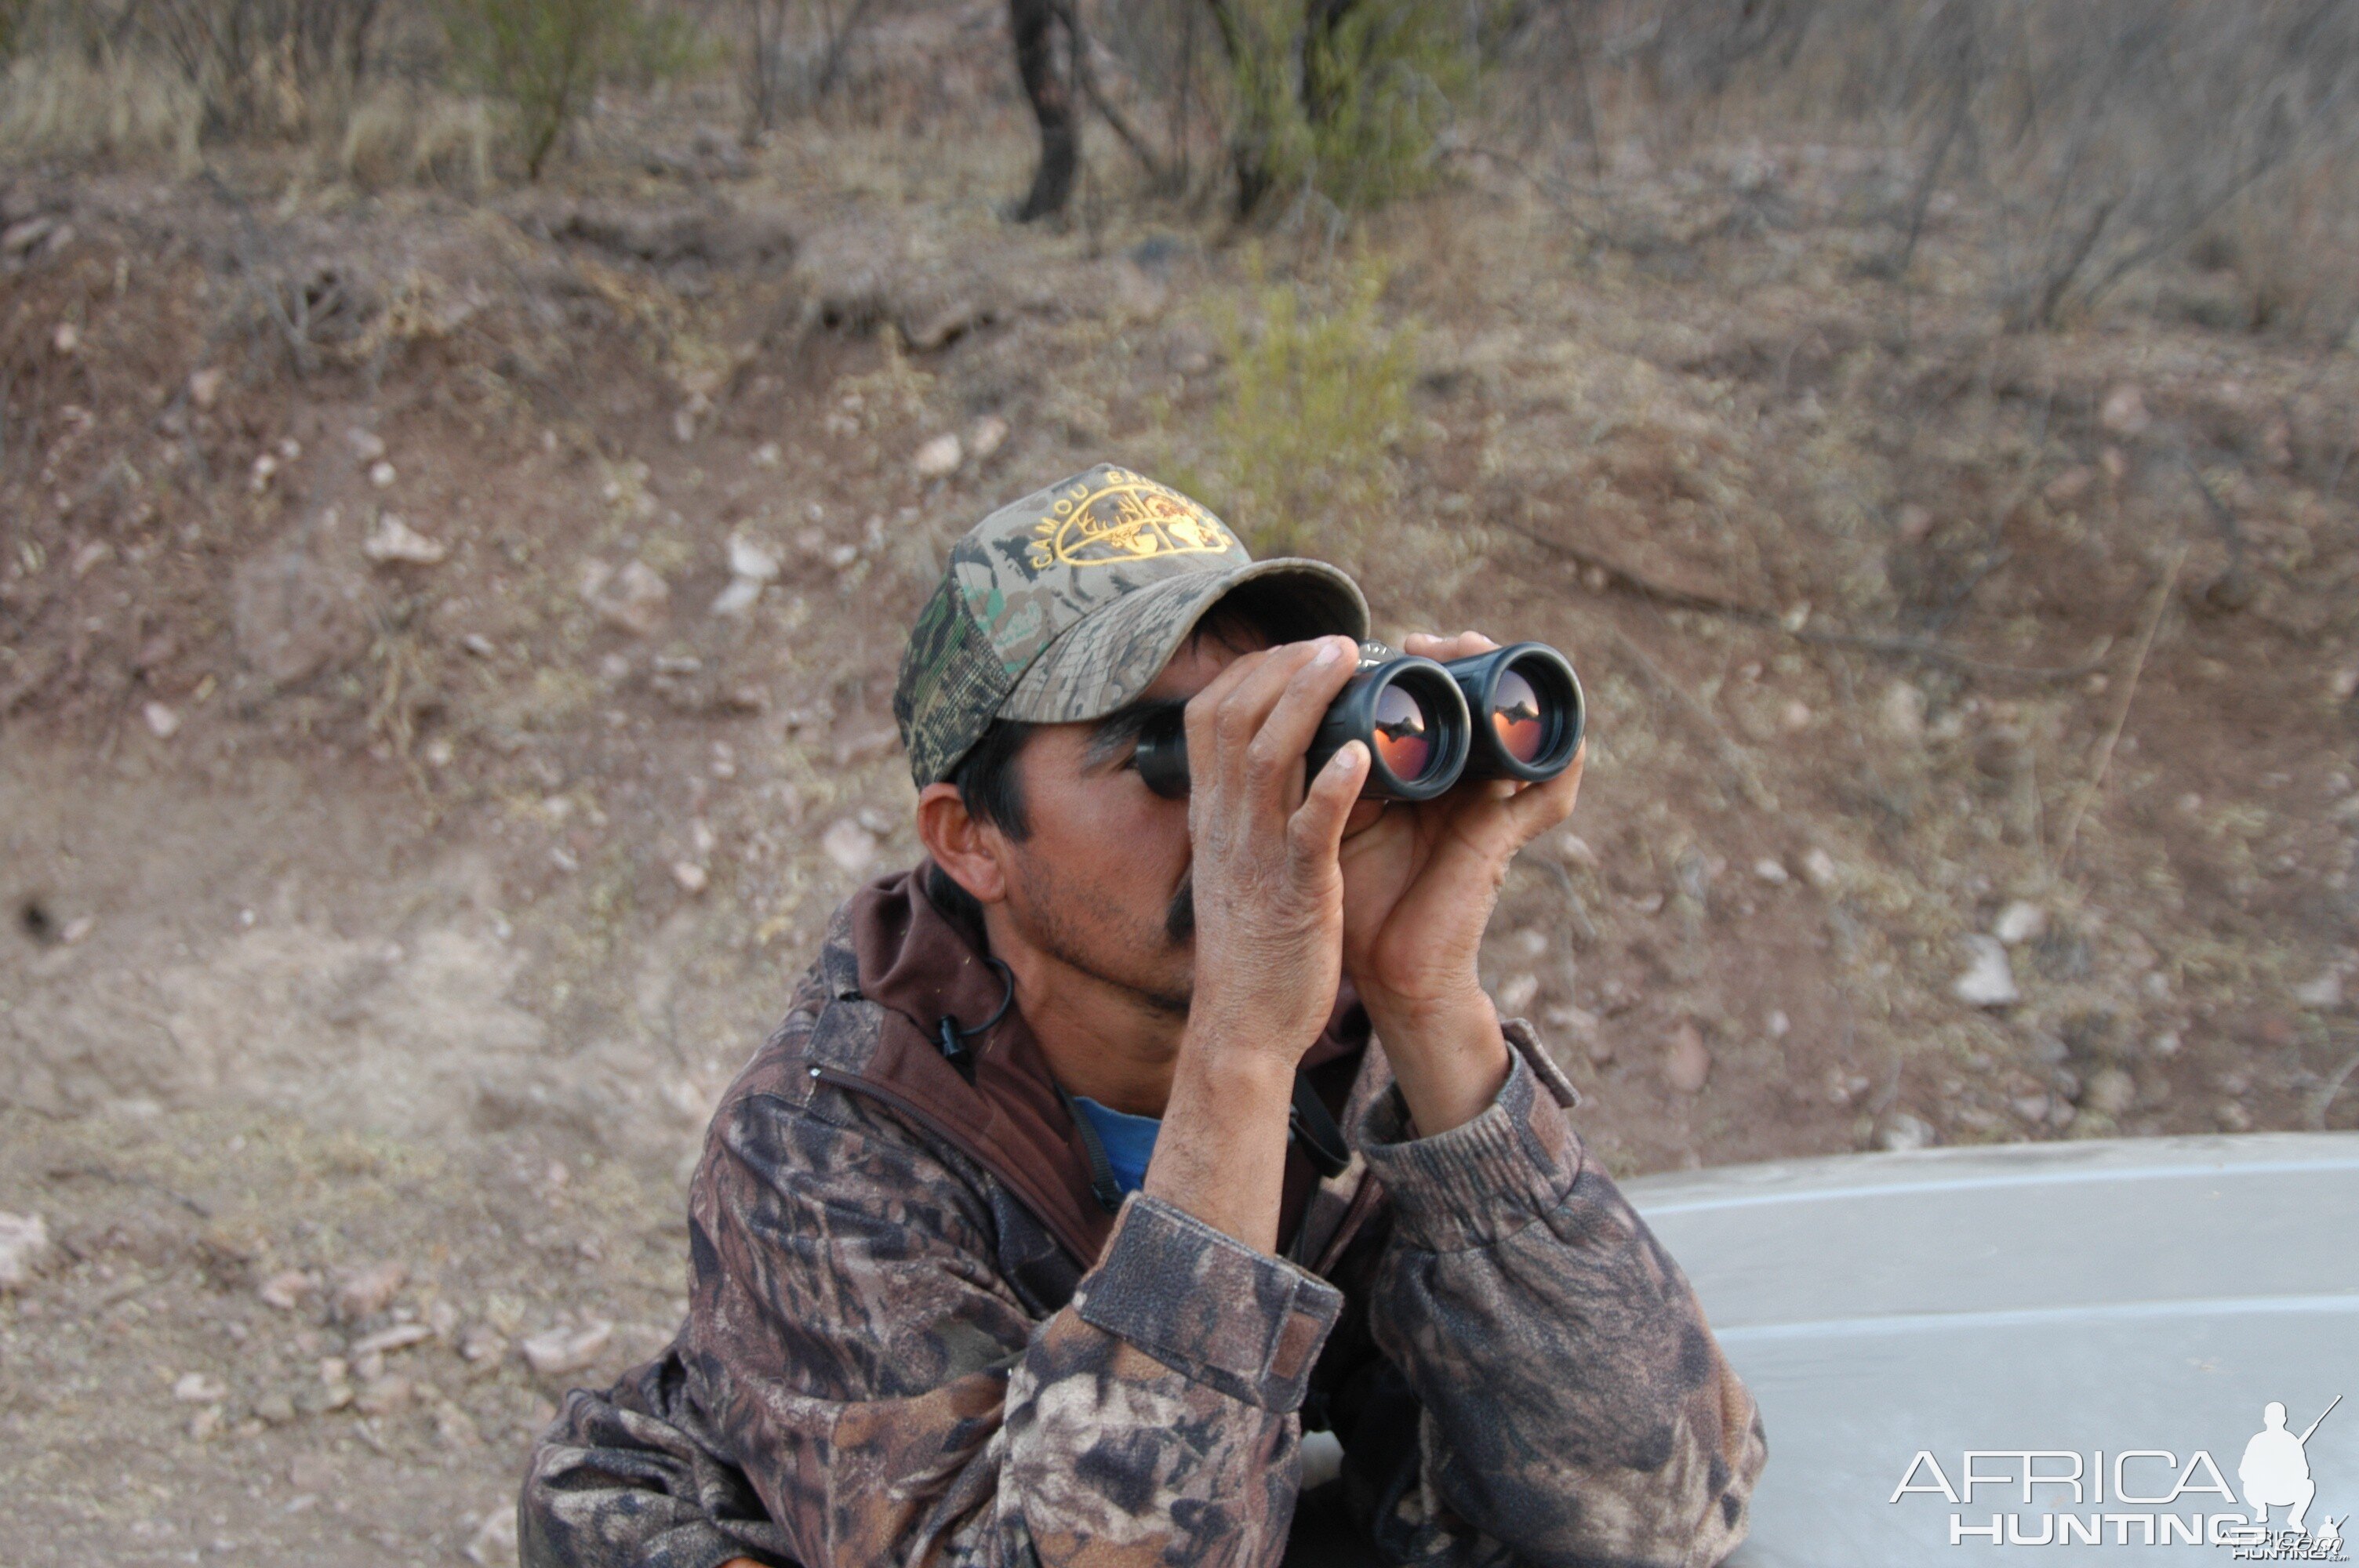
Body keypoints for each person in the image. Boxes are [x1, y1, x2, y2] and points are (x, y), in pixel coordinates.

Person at [518, 464, 1767, 1566]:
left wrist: (1422, 991)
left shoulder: (1348, 1049)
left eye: (1269, 730)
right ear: (974, 841)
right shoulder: (827, 1143)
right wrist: (1240, 1048)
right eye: (1168, 753)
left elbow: (1658, 1518)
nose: (1242, 803)